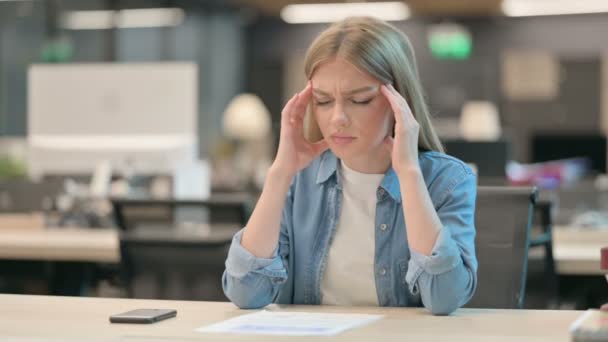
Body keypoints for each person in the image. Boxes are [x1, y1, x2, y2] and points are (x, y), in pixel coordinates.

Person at [222, 16, 477, 315]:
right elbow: (245, 293)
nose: (337, 118)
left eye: (360, 100)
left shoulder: (447, 179)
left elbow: (444, 298)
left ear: (399, 102)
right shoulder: (299, 179)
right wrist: (280, 174)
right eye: (324, 101)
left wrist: (408, 173)